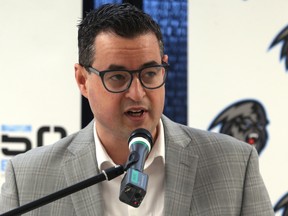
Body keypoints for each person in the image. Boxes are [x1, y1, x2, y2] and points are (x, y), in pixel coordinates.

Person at [0, 3, 274, 216]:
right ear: (83, 80)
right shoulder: (27, 179)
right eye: (118, 77)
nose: (138, 93)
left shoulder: (236, 165)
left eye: (150, 73)